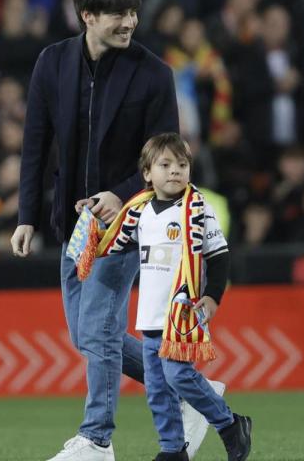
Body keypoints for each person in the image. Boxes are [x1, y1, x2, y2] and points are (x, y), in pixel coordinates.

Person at [12, 0, 213, 461]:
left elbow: (166, 159)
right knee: (87, 334)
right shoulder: (52, 63)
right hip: (73, 225)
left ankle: (96, 439)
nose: (129, 22)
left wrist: (121, 196)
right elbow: (35, 143)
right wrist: (26, 215)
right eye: (118, 14)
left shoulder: (153, 73)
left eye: (133, 12)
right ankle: (195, 392)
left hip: (127, 223)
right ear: (88, 15)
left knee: (99, 332)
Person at [86, 133, 253, 461]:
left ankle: (229, 423)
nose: (175, 170)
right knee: (157, 388)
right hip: (150, 315)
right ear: (147, 173)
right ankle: (172, 448)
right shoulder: (139, 211)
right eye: (165, 165)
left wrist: (212, 297)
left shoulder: (197, 208)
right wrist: (89, 219)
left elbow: (218, 255)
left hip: (182, 311)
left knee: (178, 374)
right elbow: (113, 241)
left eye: (182, 164)